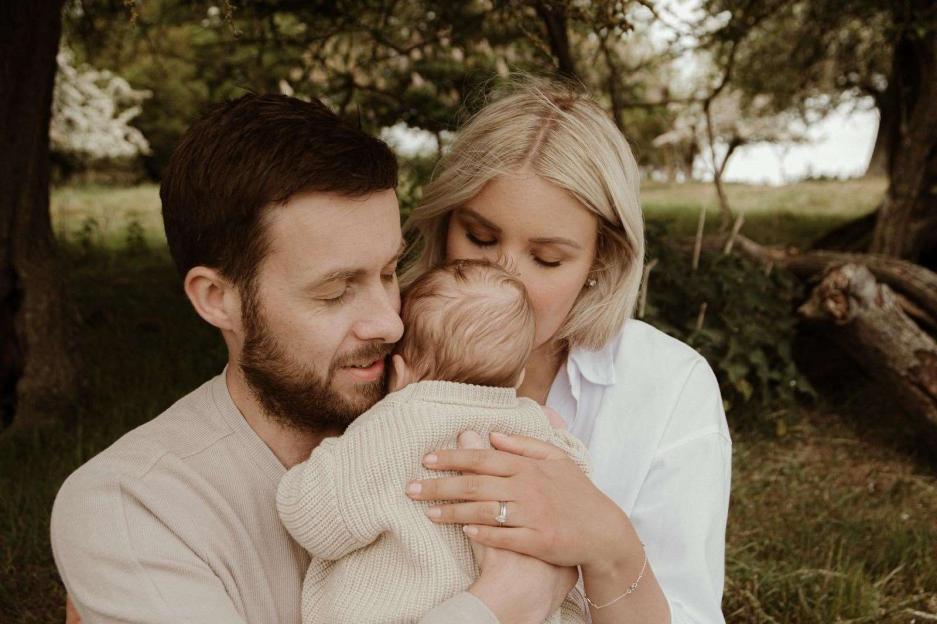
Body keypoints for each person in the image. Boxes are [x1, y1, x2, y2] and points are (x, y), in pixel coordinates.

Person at [51, 94, 577, 624]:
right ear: (218, 298)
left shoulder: (470, 441)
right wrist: (505, 603)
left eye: (390, 273)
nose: (389, 323)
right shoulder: (134, 505)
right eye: (335, 291)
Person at [398, 78, 732, 624]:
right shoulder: (383, 343)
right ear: (444, 222)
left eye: (548, 259)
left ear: (601, 262)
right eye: (479, 238)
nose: (502, 276)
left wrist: (609, 546)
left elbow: (689, 612)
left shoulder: (669, 386)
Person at [277, 259, 591, 624]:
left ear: (397, 372)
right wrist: (558, 436)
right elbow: (578, 495)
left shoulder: (397, 423)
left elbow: (313, 518)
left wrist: (331, 453)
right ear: (518, 374)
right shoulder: (536, 430)